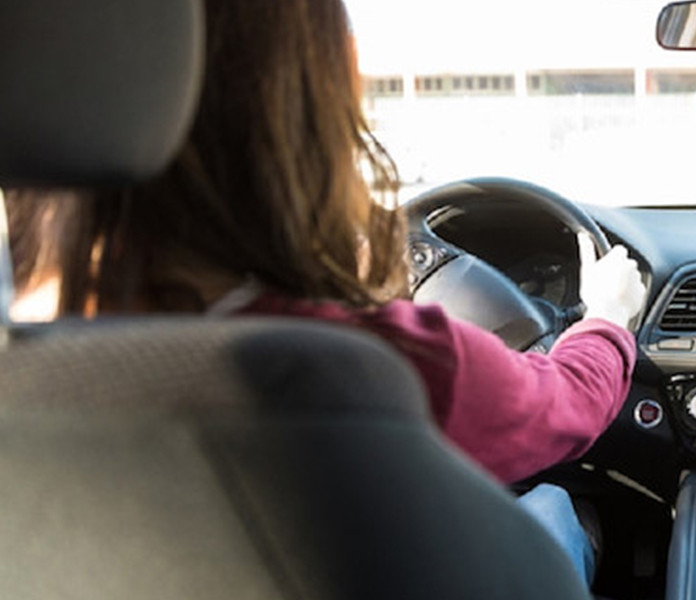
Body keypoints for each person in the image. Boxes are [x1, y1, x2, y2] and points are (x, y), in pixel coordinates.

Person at [2, 0, 644, 586]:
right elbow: (568, 407)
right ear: (304, 114)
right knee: (557, 506)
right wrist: (607, 319)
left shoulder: (25, 344)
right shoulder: (382, 363)